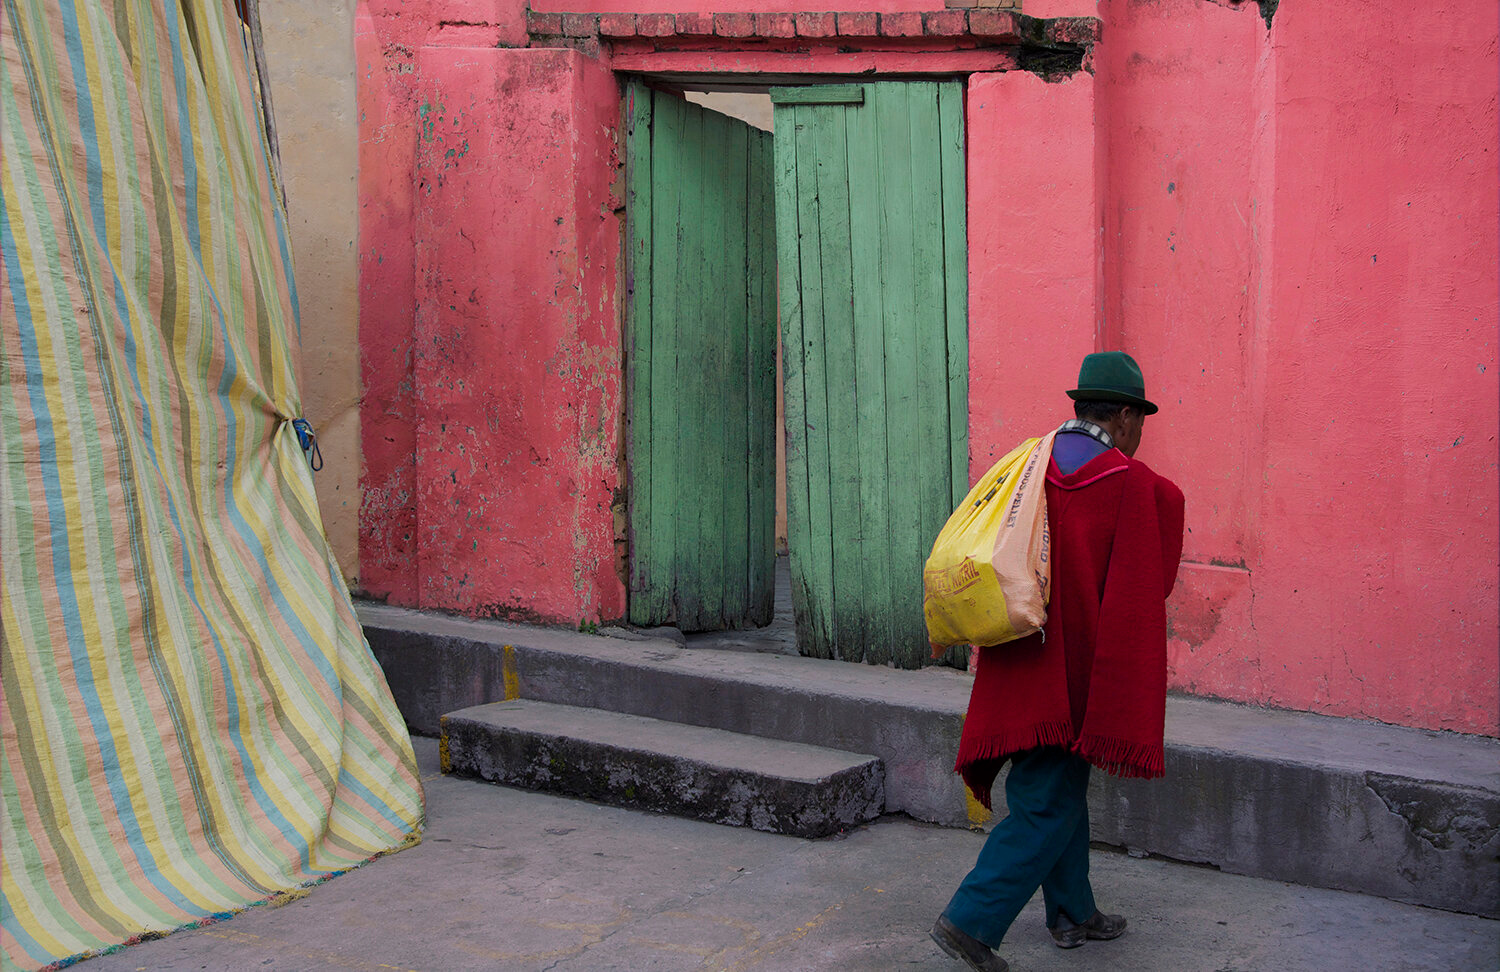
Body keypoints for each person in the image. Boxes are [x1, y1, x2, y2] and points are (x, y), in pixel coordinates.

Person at [930, 351, 1186, 972]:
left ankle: (1073, 910)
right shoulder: (1135, 488)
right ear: (1124, 417)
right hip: (1075, 675)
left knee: (1059, 786)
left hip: (1017, 658)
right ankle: (970, 920)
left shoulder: (1026, 467)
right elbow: (1157, 574)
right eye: (1140, 421)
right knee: (1047, 799)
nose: (1139, 434)